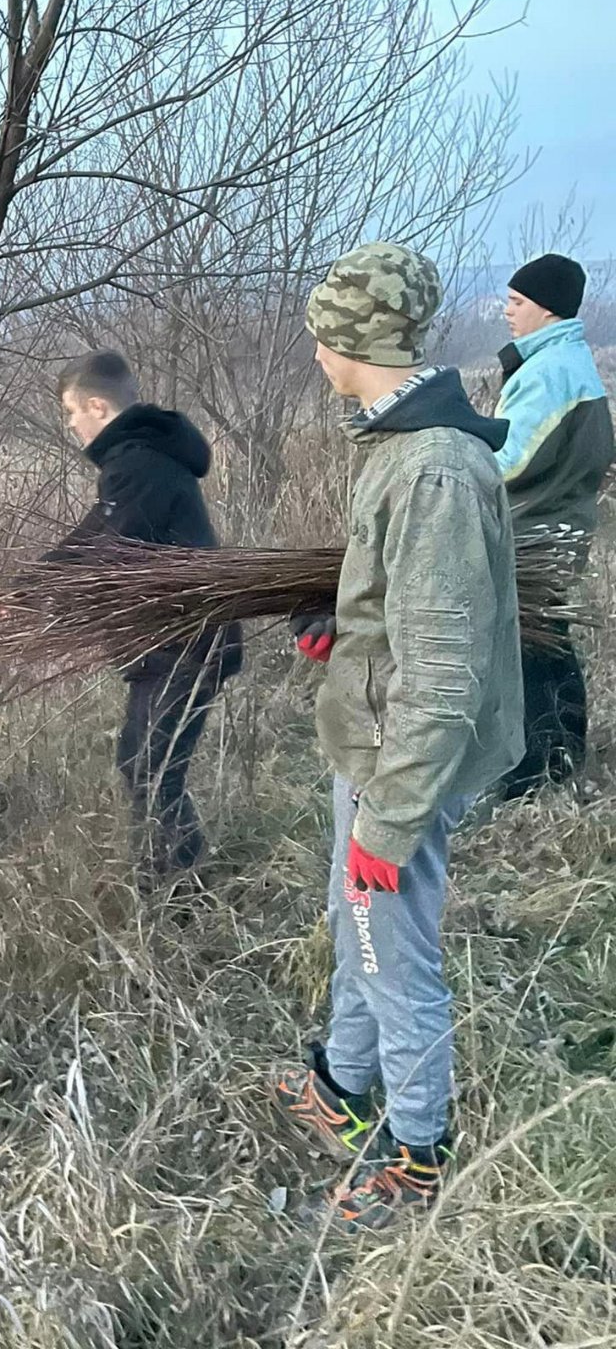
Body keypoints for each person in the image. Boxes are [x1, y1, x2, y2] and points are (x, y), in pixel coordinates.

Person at [272, 243, 524, 1233]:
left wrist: (394, 817)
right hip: (372, 742)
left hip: (398, 764)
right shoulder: (395, 442)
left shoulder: (431, 470)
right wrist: (349, 631)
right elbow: (407, 613)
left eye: (320, 337)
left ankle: (416, 1152)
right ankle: (343, 1084)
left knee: (392, 946)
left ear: (350, 339)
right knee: (355, 924)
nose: (316, 355)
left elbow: (448, 669)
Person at [49, 351, 242, 882]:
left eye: (71, 413)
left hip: (185, 644)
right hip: (166, 645)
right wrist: (32, 586)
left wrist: (50, 605)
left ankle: (179, 895)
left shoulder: (138, 463)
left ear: (97, 406)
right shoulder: (136, 461)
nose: (71, 426)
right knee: (141, 766)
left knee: (153, 774)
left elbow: (113, 551)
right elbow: (98, 530)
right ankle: (170, 882)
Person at [493, 254, 613, 798]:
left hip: (536, 531)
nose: (506, 311)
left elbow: (512, 460)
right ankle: (556, 762)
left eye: (516, 302)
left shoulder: (549, 371)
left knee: (532, 654)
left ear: (545, 310)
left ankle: (538, 771)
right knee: (544, 645)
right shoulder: (565, 359)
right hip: (556, 524)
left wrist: (460, 452)